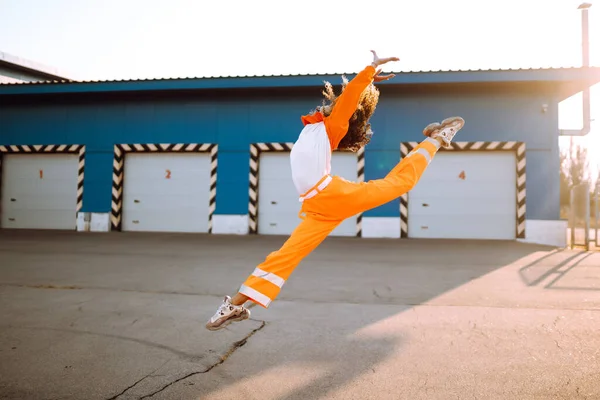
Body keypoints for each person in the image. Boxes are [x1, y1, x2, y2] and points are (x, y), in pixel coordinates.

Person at [206, 51, 464, 331]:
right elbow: (344, 99)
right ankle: (234, 305)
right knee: (285, 256)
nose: (328, 105)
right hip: (316, 208)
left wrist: (369, 71)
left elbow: (349, 96)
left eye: (334, 107)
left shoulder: (333, 126)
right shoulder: (312, 130)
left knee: (401, 183)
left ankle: (438, 138)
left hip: (329, 195)